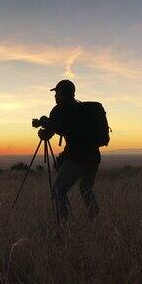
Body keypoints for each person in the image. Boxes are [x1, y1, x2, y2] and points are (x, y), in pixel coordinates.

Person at [38, 80, 101, 221]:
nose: (55, 96)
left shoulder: (59, 110)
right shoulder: (83, 109)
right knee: (86, 188)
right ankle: (96, 220)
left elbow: (47, 134)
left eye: (56, 93)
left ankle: (63, 224)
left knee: (58, 190)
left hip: (77, 159)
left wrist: (43, 128)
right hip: (94, 157)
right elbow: (68, 128)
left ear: (61, 93)